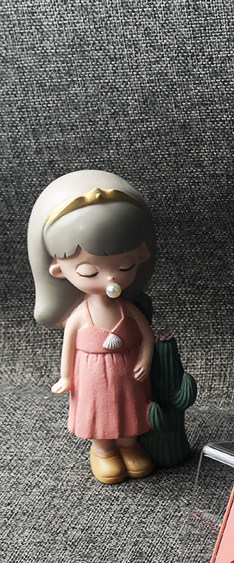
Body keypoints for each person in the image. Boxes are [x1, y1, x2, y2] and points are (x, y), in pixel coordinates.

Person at [28, 170, 157, 484]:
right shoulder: (79, 314)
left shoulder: (128, 309)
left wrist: (145, 358)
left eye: (125, 266)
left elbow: (147, 336)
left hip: (127, 371)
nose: (111, 278)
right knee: (101, 415)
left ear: (141, 256)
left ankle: (129, 445)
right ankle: (103, 451)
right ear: (58, 270)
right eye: (88, 271)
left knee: (128, 411)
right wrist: (66, 377)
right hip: (92, 375)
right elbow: (68, 347)